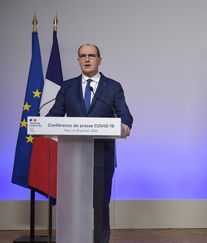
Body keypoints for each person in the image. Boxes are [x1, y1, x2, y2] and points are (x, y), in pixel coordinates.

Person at [48, 43, 133, 243]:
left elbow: (125, 115)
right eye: (83, 56)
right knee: (73, 205)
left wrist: (125, 125)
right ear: (78, 60)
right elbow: (54, 115)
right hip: (72, 158)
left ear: (99, 60)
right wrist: (43, 123)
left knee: (100, 206)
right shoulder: (67, 87)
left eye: (91, 55)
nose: (87, 59)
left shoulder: (112, 87)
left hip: (101, 157)